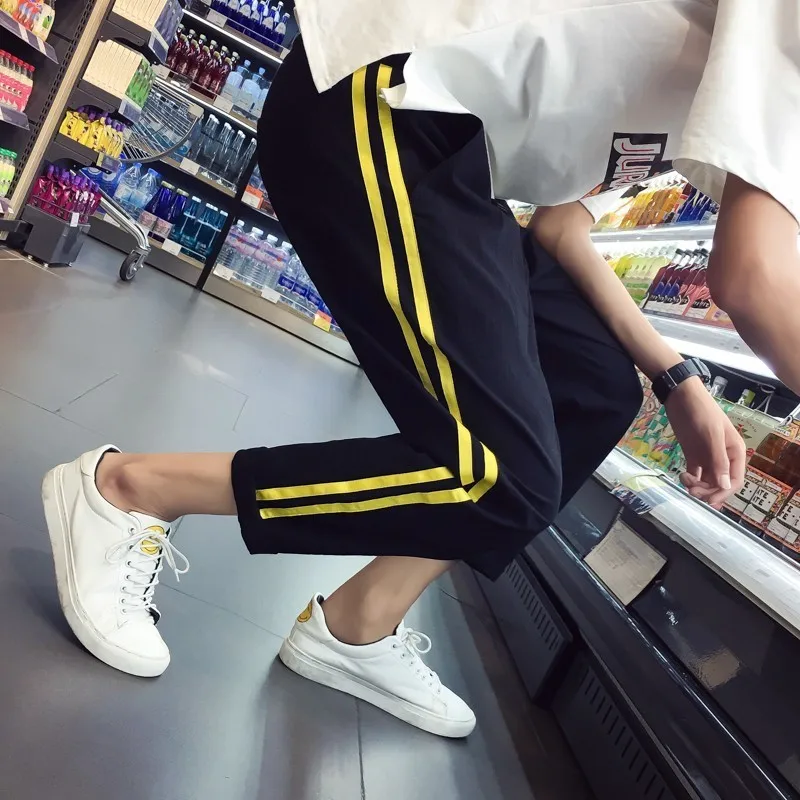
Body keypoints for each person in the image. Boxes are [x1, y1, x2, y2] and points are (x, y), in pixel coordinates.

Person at [42, 0, 800, 739]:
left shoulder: (725, 84)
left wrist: (676, 377)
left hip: (457, 160)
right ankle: (130, 489)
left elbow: (563, 224)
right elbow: (755, 277)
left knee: (595, 388)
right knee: (504, 472)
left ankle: (359, 623)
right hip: (380, 106)